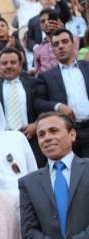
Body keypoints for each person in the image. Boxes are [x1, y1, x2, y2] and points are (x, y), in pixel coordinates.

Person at [20, 111, 89, 239]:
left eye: (54, 131)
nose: (47, 138)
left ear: (72, 134)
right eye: (41, 134)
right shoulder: (28, 182)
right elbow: (29, 231)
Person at [0, 48, 44, 165]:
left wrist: (37, 124)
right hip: (0, 141)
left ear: (20, 65)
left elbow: (44, 108)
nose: (9, 66)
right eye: (4, 63)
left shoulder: (34, 83)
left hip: (30, 139)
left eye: (13, 62)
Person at [33, 28, 89, 157]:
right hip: (64, 132)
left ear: (73, 44)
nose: (61, 46)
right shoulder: (46, 76)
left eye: (64, 42)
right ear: (53, 49)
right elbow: (38, 102)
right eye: (56, 44)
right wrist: (57, 106)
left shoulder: (87, 67)